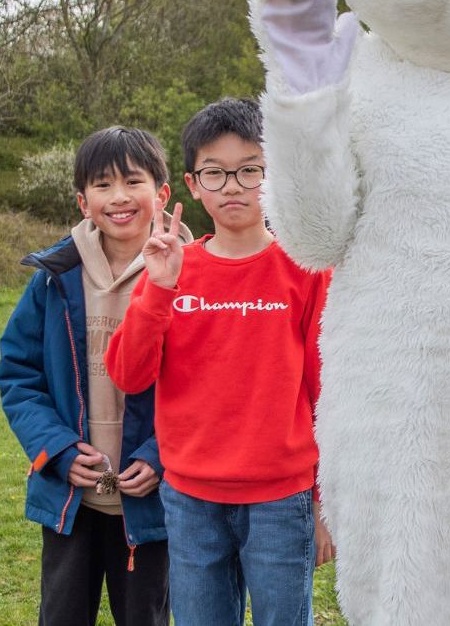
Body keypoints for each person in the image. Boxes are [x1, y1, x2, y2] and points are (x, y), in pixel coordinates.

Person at [104, 99, 333, 626]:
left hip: (282, 497)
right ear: (192, 182)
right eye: (216, 172)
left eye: (249, 170)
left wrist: (326, 501)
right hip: (190, 497)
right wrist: (159, 289)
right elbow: (128, 374)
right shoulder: (170, 268)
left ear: (274, 175)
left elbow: (328, 391)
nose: (233, 186)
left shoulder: (306, 269)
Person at [0, 127, 179, 626]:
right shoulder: (54, 276)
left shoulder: (191, 275)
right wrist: (57, 450)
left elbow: (213, 388)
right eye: (102, 184)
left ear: (161, 193)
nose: (118, 197)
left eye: (132, 181)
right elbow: (17, 374)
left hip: (152, 505)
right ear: (82, 200)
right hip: (70, 500)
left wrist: (161, 456)